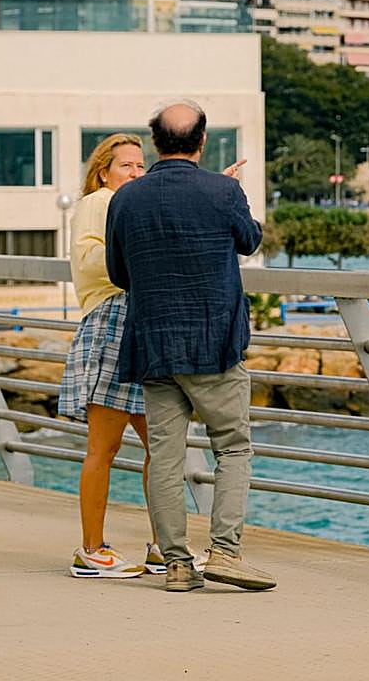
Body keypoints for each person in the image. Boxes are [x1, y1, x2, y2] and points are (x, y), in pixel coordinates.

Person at [106, 100, 274, 593]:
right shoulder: (223, 191)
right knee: (234, 447)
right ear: (202, 140)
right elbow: (250, 241)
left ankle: (177, 564)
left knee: (165, 456)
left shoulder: (127, 199)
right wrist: (231, 192)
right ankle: (224, 551)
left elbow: (119, 273)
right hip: (213, 341)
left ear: (156, 142)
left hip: (153, 341)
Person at [58, 133, 157, 578]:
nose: (136, 173)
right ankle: (91, 550)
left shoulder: (126, 205)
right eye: (126, 166)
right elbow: (95, 261)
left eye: (141, 166)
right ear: (104, 172)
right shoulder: (100, 202)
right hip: (113, 321)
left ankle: (163, 545)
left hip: (138, 323)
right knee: (105, 446)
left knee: (163, 445)